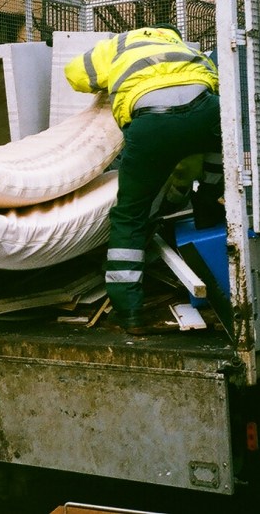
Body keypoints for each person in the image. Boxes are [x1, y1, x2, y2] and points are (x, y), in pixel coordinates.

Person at [65, 24, 223, 331]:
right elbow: (213, 79)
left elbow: (74, 74)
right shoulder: (182, 46)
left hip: (152, 124)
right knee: (217, 159)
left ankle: (129, 312)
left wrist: (108, 80)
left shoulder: (117, 45)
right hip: (208, 112)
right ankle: (207, 203)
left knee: (129, 216)